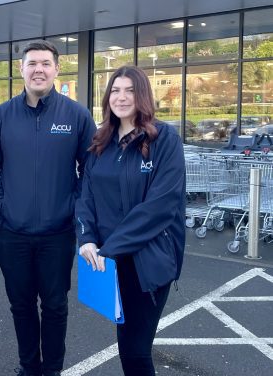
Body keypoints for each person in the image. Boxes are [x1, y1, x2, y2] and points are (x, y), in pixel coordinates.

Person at [0, 40, 96, 376]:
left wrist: (72, 204)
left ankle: (52, 370)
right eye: (32, 64)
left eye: (45, 63)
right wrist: (2, 203)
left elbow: (90, 168)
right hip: (13, 234)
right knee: (22, 306)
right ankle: (29, 367)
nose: (38, 69)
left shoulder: (76, 115)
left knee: (56, 306)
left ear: (57, 69)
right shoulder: (1, 116)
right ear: (21, 69)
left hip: (57, 235)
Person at [75, 65, 186, 375]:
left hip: (148, 262)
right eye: (115, 90)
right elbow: (86, 197)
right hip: (111, 263)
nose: (121, 97)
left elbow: (160, 207)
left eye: (130, 91)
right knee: (127, 346)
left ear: (143, 96)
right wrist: (86, 239)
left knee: (136, 351)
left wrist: (109, 248)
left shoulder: (164, 139)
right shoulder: (101, 141)